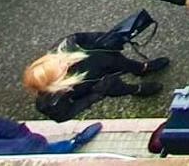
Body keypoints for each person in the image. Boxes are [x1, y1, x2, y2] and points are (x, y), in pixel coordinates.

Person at [21, 13, 172, 120]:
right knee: (119, 87)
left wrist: (106, 40)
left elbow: (82, 36)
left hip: (107, 58)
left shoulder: (63, 48)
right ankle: (137, 90)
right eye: (60, 67)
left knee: (123, 63)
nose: (64, 61)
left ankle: (142, 69)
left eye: (57, 60)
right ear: (56, 81)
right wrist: (97, 94)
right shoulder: (51, 101)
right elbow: (65, 114)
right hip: (103, 83)